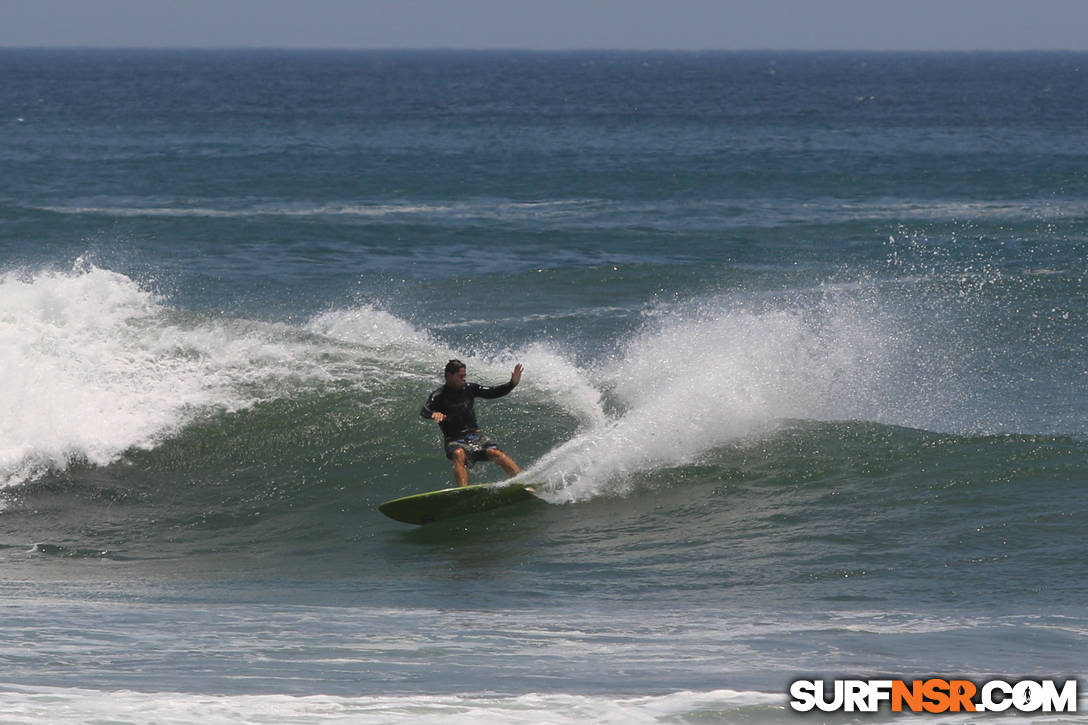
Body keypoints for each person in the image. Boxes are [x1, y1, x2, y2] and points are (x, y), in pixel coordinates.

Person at [420, 359, 523, 487]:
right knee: (459, 454)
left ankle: (522, 481)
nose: (464, 379)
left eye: (465, 376)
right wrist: (433, 414)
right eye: (460, 376)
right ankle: (464, 491)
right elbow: (424, 411)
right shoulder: (439, 395)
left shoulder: (470, 388)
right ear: (449, 375)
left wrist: (512, 384)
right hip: (454, 439)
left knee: (495, 453)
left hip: (475, 435)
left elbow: (493, 392)